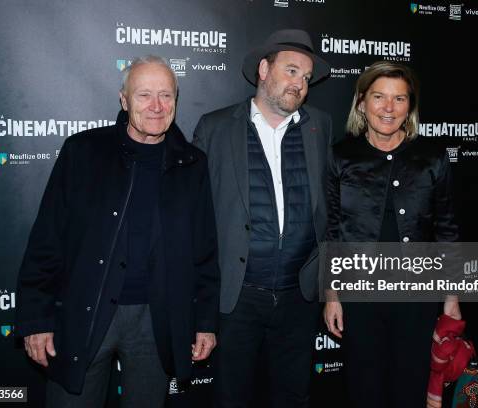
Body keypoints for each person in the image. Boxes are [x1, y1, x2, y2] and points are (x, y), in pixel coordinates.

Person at [15, 55, 220, 408]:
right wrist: (35, 318)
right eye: (144, 95)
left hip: (156, 321)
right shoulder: (83, 152)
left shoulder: (192, 164)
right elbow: (47, 240)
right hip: (85, 310)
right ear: (124, 100)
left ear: (176, 100)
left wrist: (204, 321)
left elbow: (204, 251)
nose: (156, 106)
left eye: (166, 95)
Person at [192, 29, 332, 407]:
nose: (299, 84)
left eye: (305, 78)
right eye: (291, 71)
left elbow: (330, 211)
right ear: (263, 69)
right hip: (237, 299)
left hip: (299, 298)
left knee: (292, 395)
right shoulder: (215, 128)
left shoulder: (319, 127)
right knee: (232, 396)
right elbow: (194, 218)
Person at [323, 61, 461, 408]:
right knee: (363, 387)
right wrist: (332, 294)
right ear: (361, 103)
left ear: (410, 107)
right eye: (379, 97)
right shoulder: (341, 156)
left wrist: (451, 298)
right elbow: (332, 230)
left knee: (410, 386)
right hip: (361, 295)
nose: (389, 108)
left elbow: (447, 229)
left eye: (399, 99)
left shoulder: (432, 158)